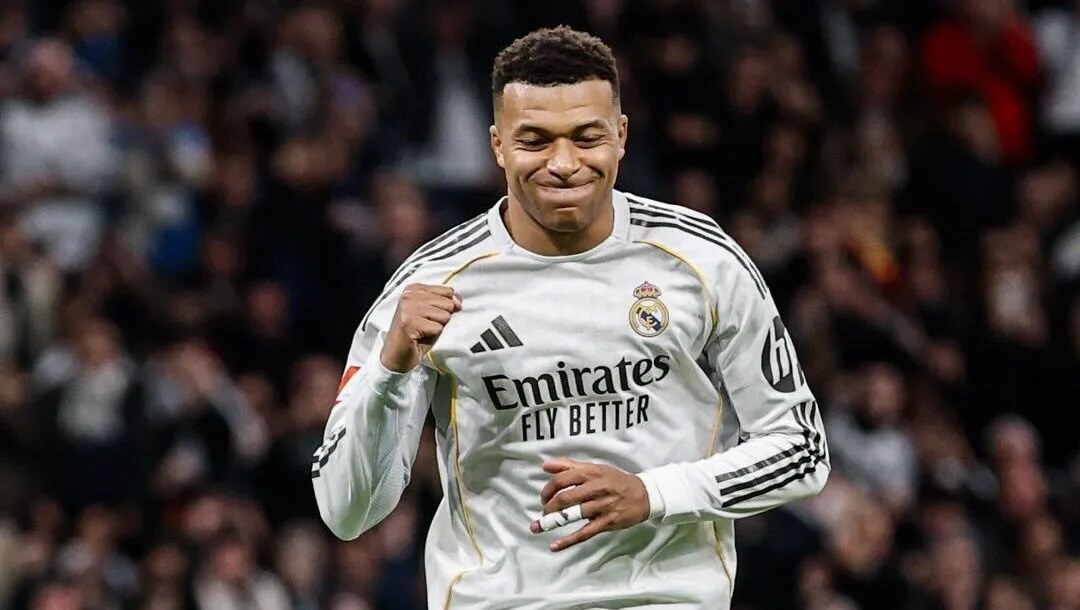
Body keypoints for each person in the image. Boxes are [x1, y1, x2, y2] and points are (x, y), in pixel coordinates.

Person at [313, 26, 829, 609]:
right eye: (534, 140)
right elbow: (345, 512)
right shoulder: (431, 285)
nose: (563, 164)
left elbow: (801, 450)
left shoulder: (702, 260)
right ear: (497, 145)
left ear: (621, 136)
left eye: (587, 137)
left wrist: (653, 494)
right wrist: (390, 371)